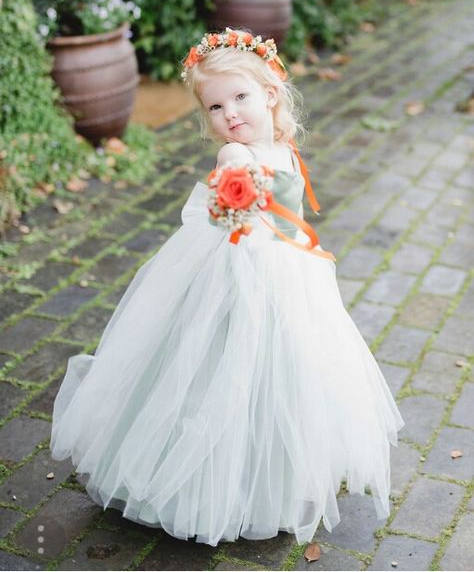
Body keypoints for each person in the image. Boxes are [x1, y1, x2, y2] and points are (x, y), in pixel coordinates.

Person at [50, 27, 404, 548]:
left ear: (270, 93)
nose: (230, 114)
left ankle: (267, 477)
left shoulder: (282, 147)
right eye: (215, 107)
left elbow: (292, 216)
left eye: (240, 97)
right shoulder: (233, 157)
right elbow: (234, 172)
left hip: (285, 276)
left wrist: (301, 251)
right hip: (233, 275)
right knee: (217, 365)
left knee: (281, 371)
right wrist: (239, 172)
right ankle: (190, 474)